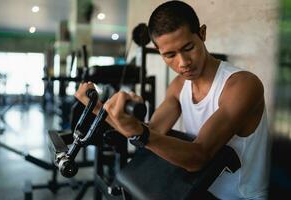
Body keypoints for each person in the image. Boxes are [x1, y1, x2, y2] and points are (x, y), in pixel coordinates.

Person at [74, 1, 271, 199]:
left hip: (242, 196)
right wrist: (97, 108)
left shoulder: (242, 85)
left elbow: (198, 156)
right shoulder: (178, 85)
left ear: (202, 33)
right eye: (170, 55)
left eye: (188, 47)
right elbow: (153, 132)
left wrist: (140, 133)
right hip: (201, 189)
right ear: (159, 51)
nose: (183, 62)